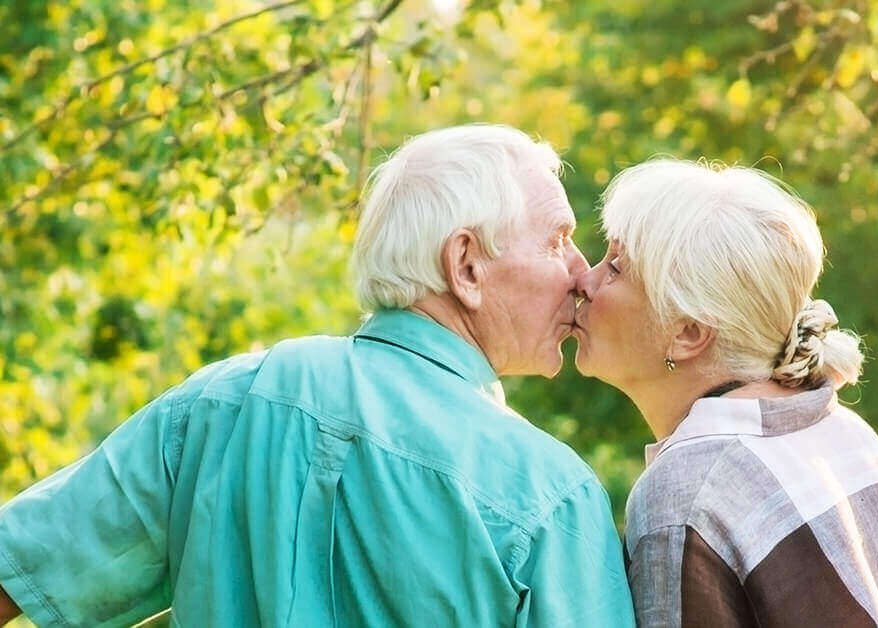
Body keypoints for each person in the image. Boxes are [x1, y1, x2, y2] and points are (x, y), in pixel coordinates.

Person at [0, 124, 635, 627]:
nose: (580, 272)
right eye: (557, 240)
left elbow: (16, 569)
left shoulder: (218, 404)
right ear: (465, 265)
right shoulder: (550, 496)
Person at [572, 158, 878, 626]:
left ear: (688, 332)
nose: (585, 278)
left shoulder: (686, 489)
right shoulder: (852, 438)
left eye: (616, 268)